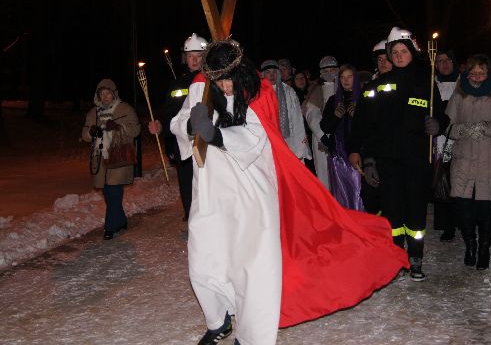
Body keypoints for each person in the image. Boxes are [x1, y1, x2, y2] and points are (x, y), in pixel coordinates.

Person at [171, 40, 408, 345]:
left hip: (250, 190)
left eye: (229, 79)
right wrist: (191, 124)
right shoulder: (200, 89)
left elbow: (258, 137)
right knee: (205, 254)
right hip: (210, 189)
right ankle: (218, 319)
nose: (225, 87)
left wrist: (215, 134)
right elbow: (179, 122)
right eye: (218, 81)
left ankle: (252, 333)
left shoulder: (257, 92)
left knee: (250, 262)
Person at [348, 27, 448, 281]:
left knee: (415, 212)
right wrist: (363, 156)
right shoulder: (376, 86)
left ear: (412, 52)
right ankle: (396, 260)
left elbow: (441, 113)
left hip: (417, 160)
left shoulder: (426, 80)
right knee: (393, 214)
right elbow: (362, 124)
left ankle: (415, 260)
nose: (400, 55)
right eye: (395, 52)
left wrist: (438, 124)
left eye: (404, 51)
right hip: (387, 160)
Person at [445, 54, 491, 270]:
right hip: (464, 158)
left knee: (485, 209)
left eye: (481, 72)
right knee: (465, 209)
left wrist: (485, 127)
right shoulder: (460, 93)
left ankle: (484, 249)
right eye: (473, 71)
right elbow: (447, 126)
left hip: (489, 160)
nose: (476, 76)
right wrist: (463, 130)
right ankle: (471, 245)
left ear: (488, 72)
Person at [148, 33, 206, 221]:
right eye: (190, 56)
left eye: (198, 55)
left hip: (208, 145)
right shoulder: (177, 84)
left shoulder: (213, 80)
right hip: (183, 146)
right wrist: (160, 127)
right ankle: (191, 220)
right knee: (187, 187)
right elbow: (170, 115)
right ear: (185, 58)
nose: (194, 60)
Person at [82, 79, 141, 240]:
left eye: (108, 93)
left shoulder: (125, 108)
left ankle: (110, 227)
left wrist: (119, 127)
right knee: (108, 193)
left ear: (114, 93)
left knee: (113, 190)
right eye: (102, 94)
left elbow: (136, 130)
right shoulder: (93, 113)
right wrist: (91, 132)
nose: (105, 96)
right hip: (100, 156)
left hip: (118, 154)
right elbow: (85, 135)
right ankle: (120, 220)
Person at [348, 39, 393, 215]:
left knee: (392, 199)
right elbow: (359, 123)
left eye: (386, 59)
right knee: (371, 197)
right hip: (372, 154)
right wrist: (354, 150)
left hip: (396, 155)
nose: (382, 63)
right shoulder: (369, 89)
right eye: (379, 59)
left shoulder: (408, 85)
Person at [320, 64, 364, 211]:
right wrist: (336, 117)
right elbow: (325, 126)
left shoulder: (364, 97)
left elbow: (371, 125)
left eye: (349, 77)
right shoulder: (334, 100)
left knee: (358, 191)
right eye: (342, 77)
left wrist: (357, 116)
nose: (345, 80)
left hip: (358, 152)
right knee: (341, 192)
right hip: (338, 154)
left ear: (355, 78)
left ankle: (361, 222)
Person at [432, 49, 460, 242]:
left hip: (460, 139)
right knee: (442, 181)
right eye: (440, 61)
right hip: (439, 141)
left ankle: (462, 221)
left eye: (447, 60)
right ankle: (446, 225)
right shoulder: (432, 84)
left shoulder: (463, 84)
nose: (444, 64)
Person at [261, 60, 311, 162]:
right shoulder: (257, 92)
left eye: (274, 71)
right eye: (268, 72)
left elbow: (297, 119)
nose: (272, 75)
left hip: (289, 139)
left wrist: (300, 147)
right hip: (266, 140)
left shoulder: (288, 91)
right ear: (263, 74)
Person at [302, 56, 339, 190]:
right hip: (322, 139)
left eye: (332, 70)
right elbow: (311, 114)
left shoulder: (343, 86)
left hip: (340, 139)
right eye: (326, 70)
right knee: (324, 176)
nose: (329, 73)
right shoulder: (316, 89)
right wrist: (322, 135)